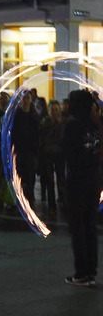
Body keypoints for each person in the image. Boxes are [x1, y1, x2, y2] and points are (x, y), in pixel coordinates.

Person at [63, 89, 101, 286]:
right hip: (93, 181)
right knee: (90, 227)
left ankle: (81, 272)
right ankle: (91, 272)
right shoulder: (94, 127)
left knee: (78, 228)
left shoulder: (72, 127)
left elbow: (66, 153)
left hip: (77, 183)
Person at [11, 90, 40, 204]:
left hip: (30, 151)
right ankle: (21, 197)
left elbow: (37, 134)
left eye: (27, 98)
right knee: (20, 174)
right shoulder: (16, 116)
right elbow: (13, 133)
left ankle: (30, 196)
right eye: (24, 98)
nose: (25, 100)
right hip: (19, 150)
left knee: (30, 175)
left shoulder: (34, 116)